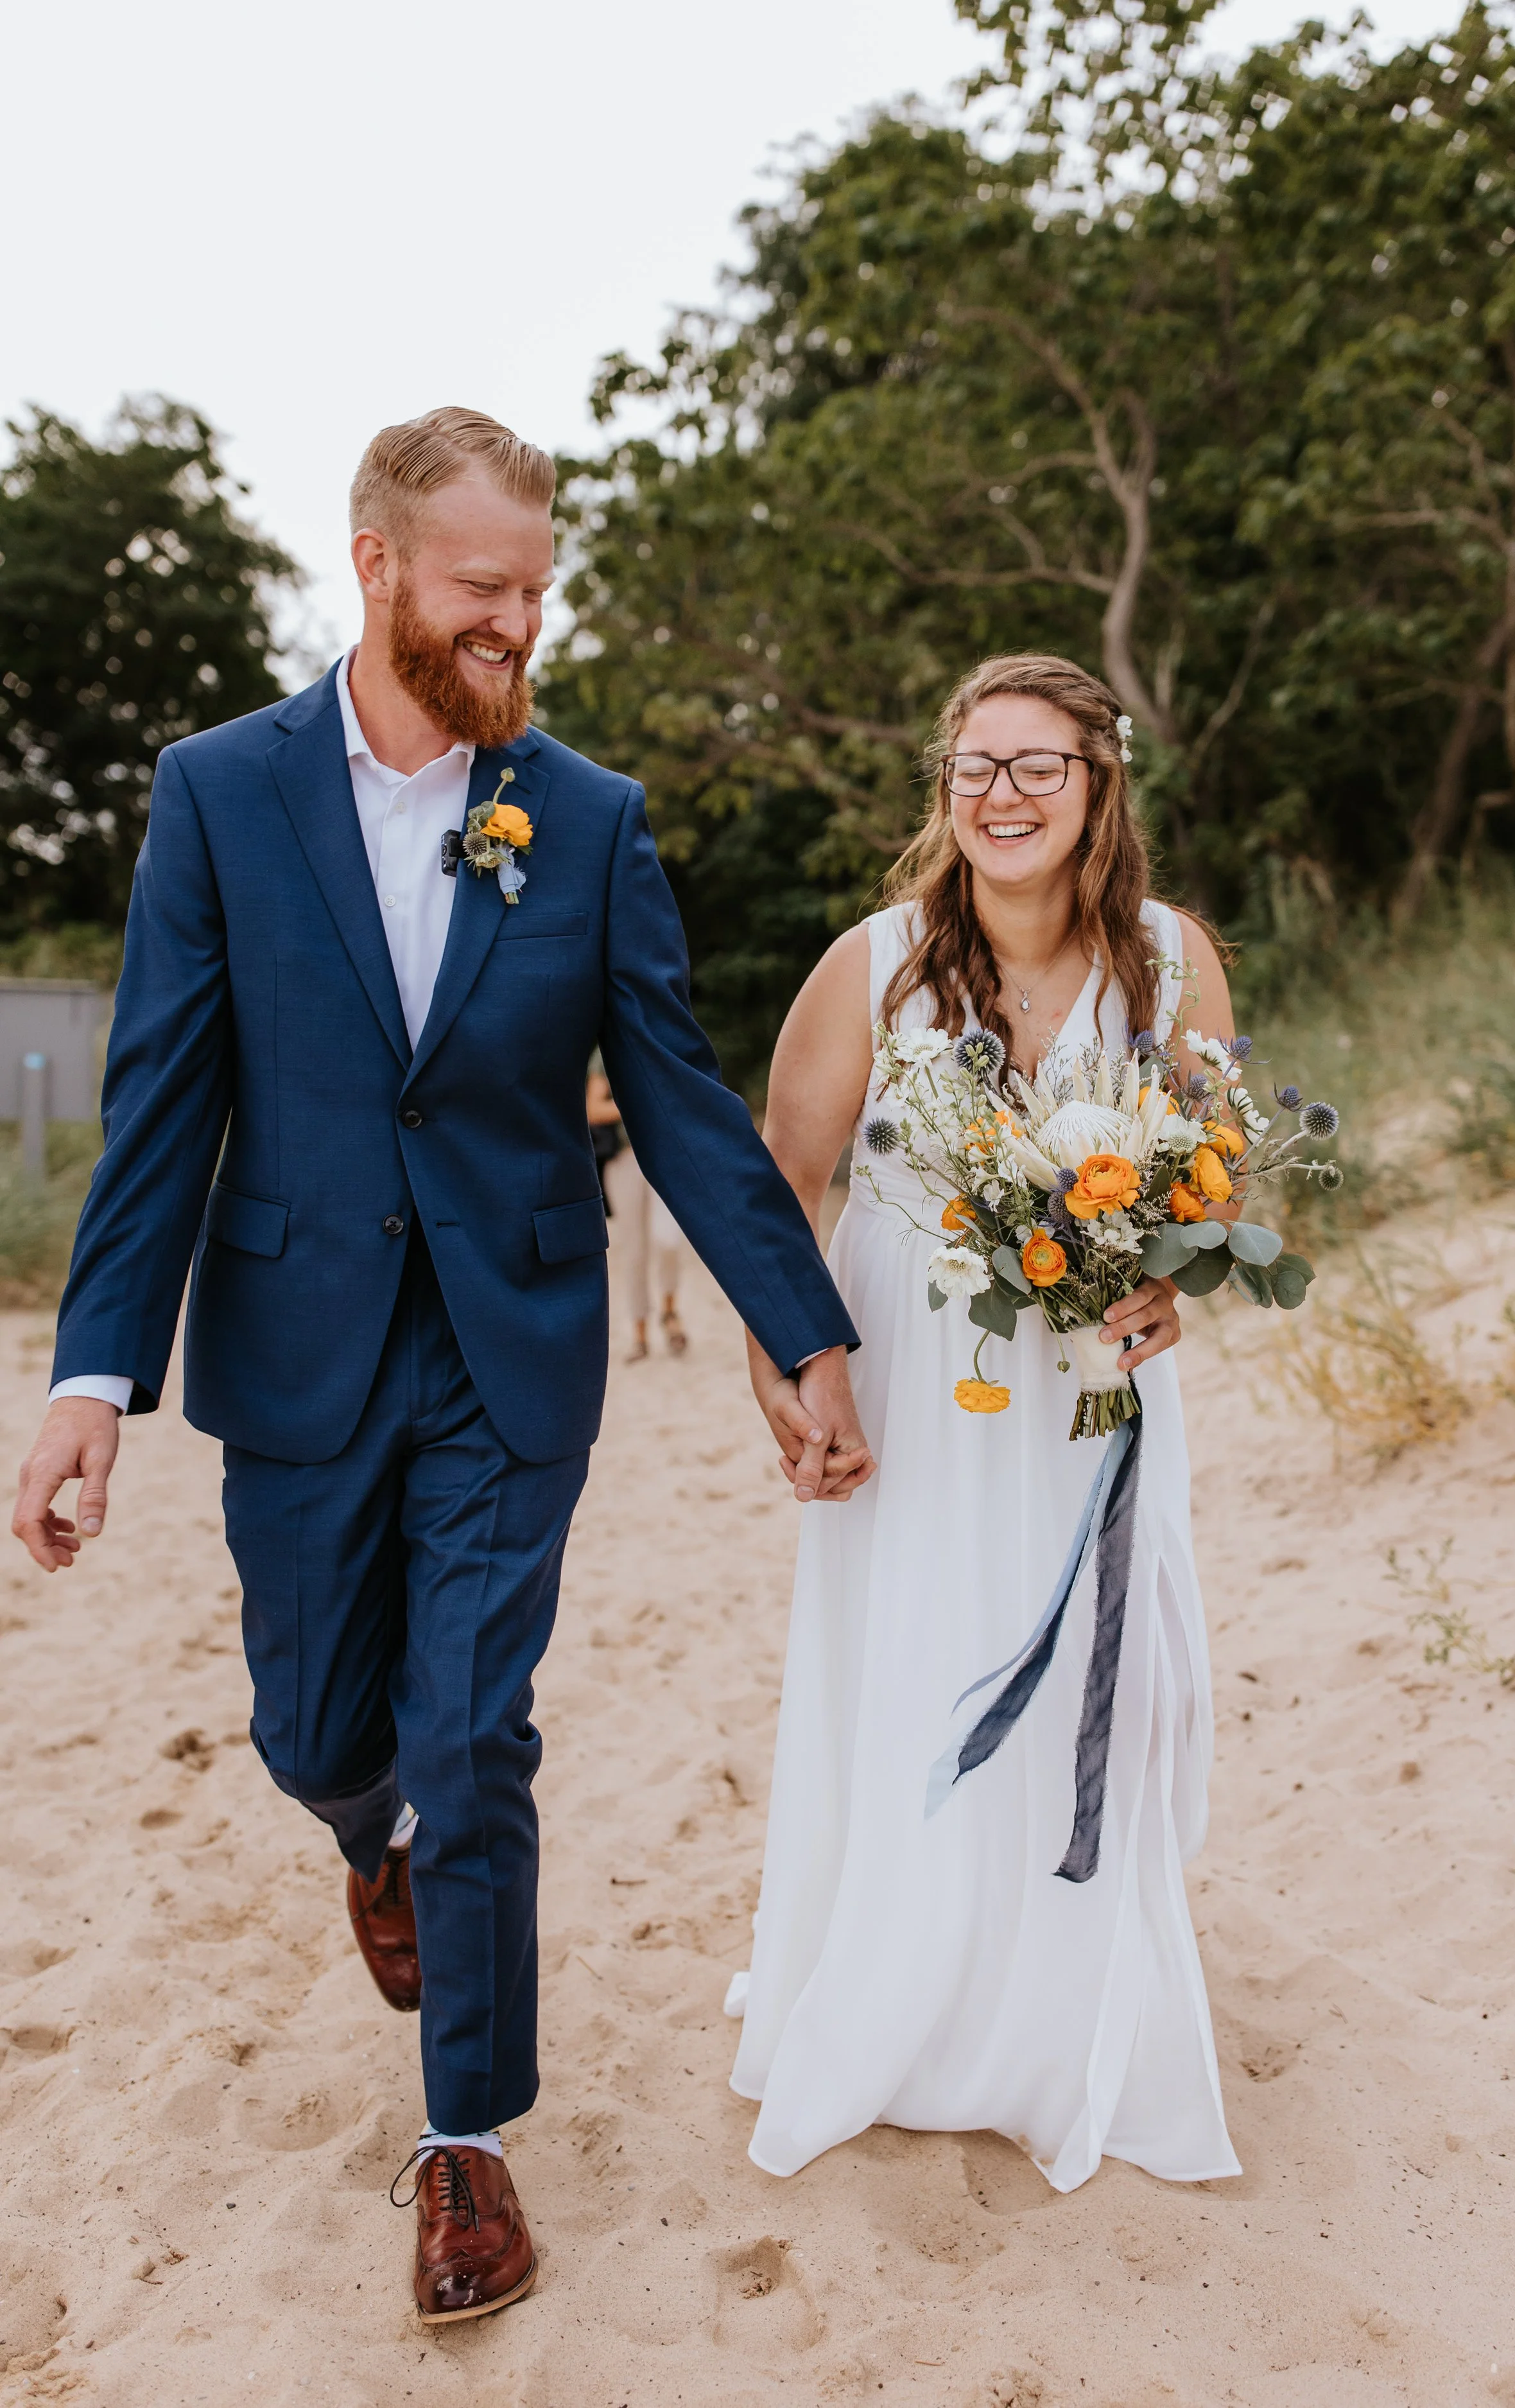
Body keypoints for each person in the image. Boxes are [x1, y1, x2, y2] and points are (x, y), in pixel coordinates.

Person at [11, 406, 871, 2324]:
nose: (513, 624)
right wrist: (90, 1374)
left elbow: (678, 1098)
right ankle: (365, 1837)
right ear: (377, 562)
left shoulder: (585, 815)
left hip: (512, 1345)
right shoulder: (218, 792)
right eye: (482, 588)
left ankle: (464, 2139)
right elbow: (159, 1098)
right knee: (316, 1729)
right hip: (292, 1341)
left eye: (535, 592)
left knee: (476, 1727)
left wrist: (798, 1324)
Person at [733, 652, 1242, 2192]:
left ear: (1099, 787)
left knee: (1109, 1669)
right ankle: (909, 1991)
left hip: (1090, 1381)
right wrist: (784, 1359)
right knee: (916, 1654)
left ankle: (1064, 2000)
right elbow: (784, 1173)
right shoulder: (876, 960)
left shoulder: (1170, 955)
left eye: (1038, 766)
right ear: (945, 789)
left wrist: (1174, 1283)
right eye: (976, 766)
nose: (1003, 795)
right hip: (917, 1372)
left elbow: (1212, 1175)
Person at [587, 1065, 687, 1360]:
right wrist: (640, 1100)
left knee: (669, 1240)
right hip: (624, 1162)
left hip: (663, 1156)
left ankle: (669, 1312)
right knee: (635, 1251)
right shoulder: (602, 1057)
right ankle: (640, 1334)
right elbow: (594, 1109)